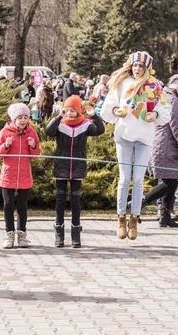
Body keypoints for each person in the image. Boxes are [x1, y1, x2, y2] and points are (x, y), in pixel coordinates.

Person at [100, 51, 171, 240]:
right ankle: (121, 217)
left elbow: (165, 109)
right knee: (124, 179)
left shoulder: (155, 86)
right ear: (130, 66)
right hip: (123, 134)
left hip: (144, 138)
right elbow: (108, 106)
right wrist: (116, 111)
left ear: (147, 68)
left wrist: (154, 115)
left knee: (138, 179)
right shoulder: (121, 83)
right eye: (135, 65)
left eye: (141, 66)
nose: (137, 69)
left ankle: (134, 219)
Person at [45, 95, 104, 248]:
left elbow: (100, 130)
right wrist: (59, 116)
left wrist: (94, 116)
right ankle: (59, 233)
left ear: (78, 111)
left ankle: (76, 233)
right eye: (67, 110)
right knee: (60, 200)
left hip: (78, 167)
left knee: (76, 200)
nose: (70, 113)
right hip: (61, 167)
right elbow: (48, 131)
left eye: (73, 111)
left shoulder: (85, 125)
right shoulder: (60, 125)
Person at [146, 75, 178, 228]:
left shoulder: (166, 96)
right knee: (170, 183)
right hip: (167, 146)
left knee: (172, 181)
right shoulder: (173, 100)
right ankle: (142, 201)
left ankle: (165, 215)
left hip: (164, 144)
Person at [0, 103, 40, 248]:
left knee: (22, 207)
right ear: (13, 119)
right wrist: (5, 145)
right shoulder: (5, 132)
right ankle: (9, 234)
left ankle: (22, 235)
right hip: (8, 175)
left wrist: (33, 146)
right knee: (8, 206)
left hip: (24, 175)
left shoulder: (32, 133)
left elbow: (34, 156)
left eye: (26, 117)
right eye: (20, 117)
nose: (23, 120)